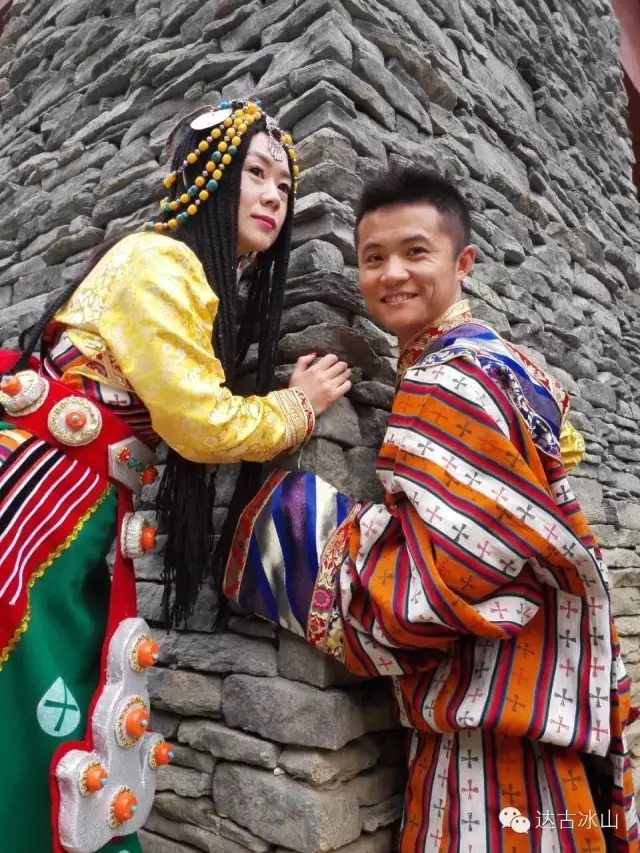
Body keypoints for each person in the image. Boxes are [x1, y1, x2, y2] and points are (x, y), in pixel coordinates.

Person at [224, 165, 638, 853]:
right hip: (546, 700)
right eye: (373, 258)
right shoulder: (504, 364)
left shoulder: (447, 380)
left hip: (492, 738)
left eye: (415, 252)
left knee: (286, 521)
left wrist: (309, 535)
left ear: (462, 262)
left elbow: (450, 579)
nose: (392, 274)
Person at [0, 99, 350, 853]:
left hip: (73, 494)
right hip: (45, 496)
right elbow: (200, 422)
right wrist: (297, 405)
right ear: (205, 179)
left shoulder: (183, 271)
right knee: (30, 685)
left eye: (284, 185)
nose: (273, 196)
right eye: (255, 173)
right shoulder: (161, 263)